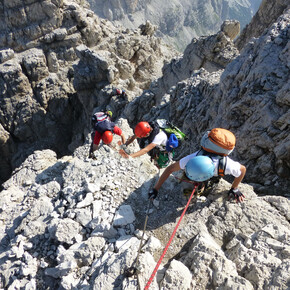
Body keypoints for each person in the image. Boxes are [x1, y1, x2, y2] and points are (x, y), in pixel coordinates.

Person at [148, 150, 246, 203]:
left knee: (205, 187)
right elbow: (169, 169)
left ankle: (203, 188)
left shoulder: (227, 166)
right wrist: (155, 189)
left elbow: (243, 169)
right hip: (204, 171)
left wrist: (234, 188)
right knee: (187, 192)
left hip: (213, 174)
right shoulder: (191, 159)